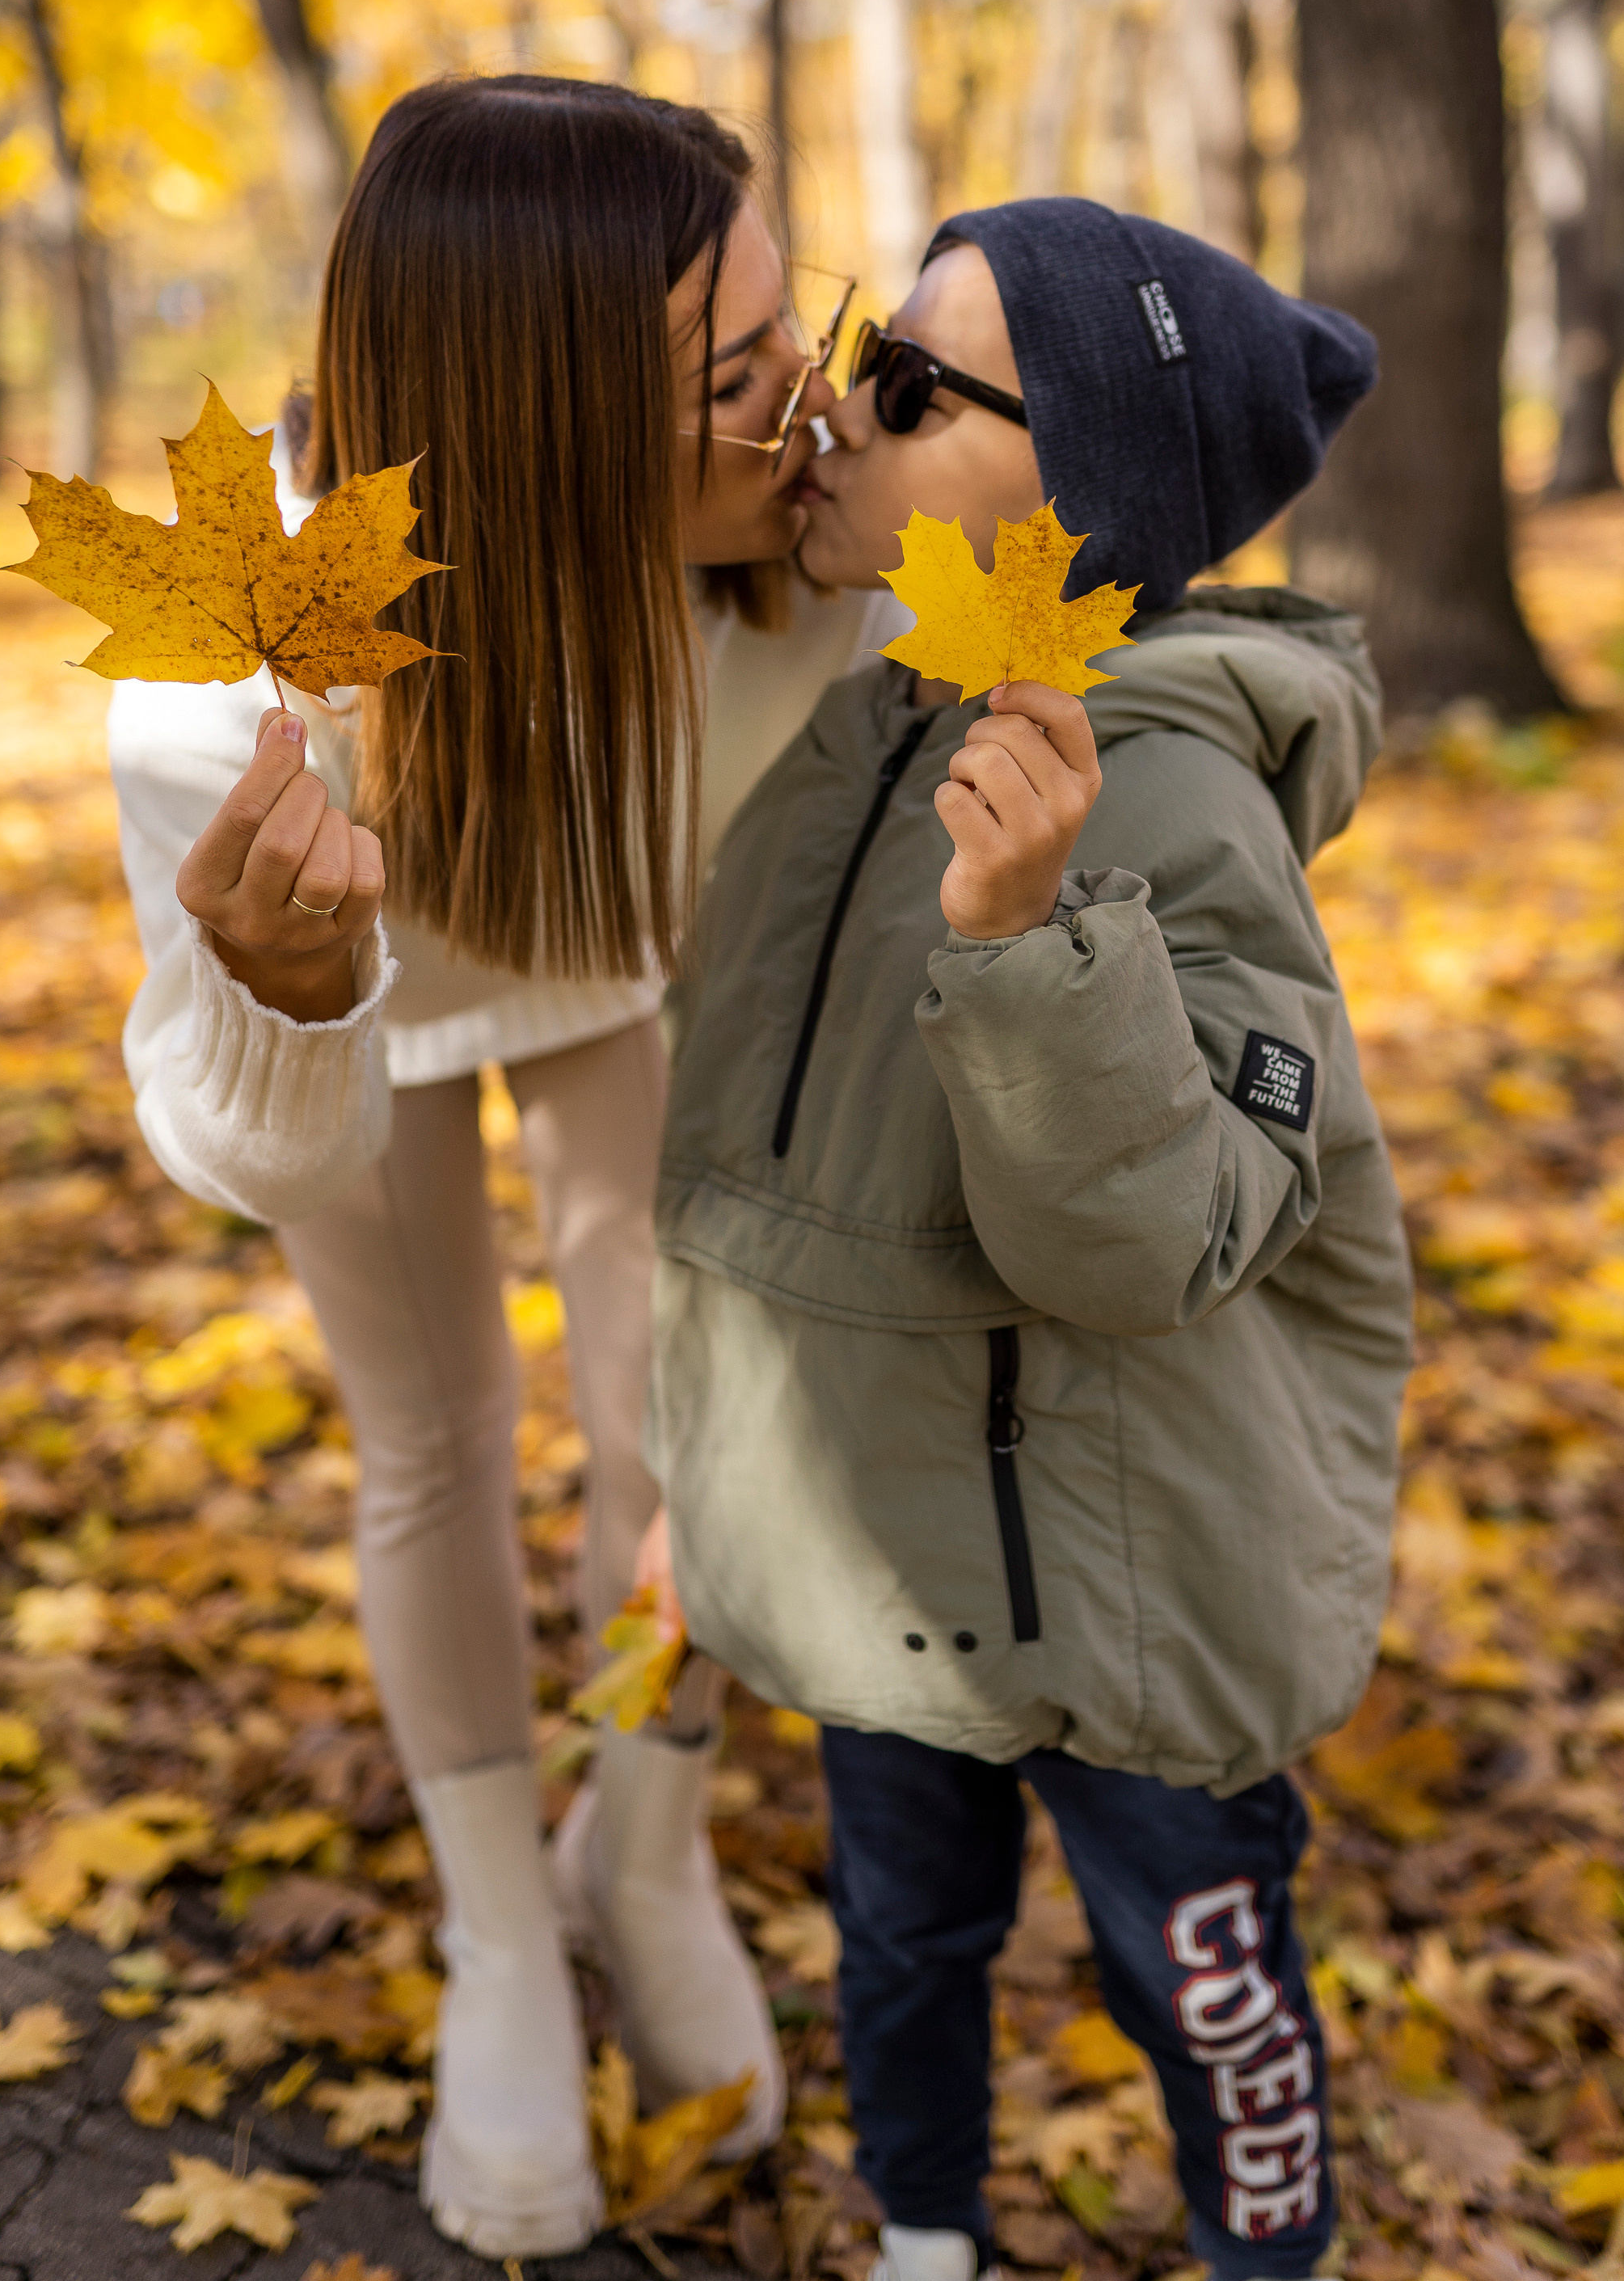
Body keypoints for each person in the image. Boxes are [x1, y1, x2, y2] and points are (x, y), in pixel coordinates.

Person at [108, 76, 879, 2263]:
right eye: (744, 375)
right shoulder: (229, 693)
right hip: (362, 957)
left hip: (607, 931)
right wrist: (279, 984)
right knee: (435, 1430)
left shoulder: (774, 570)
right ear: (554, 424)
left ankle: (636, 1846)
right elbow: (242, 1145)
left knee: (683, 1418)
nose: (811, 402)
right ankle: (495, 1934)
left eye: (788, 318)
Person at [642, 199, 1415, 2281]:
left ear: (1078, 497)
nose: (830, 409)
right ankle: (924, 2242)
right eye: (852, 351)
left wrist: (1033, 948)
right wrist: (702, 1486)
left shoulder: (1161, 795)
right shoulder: (847, 740)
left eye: (904, 388)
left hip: (1135, 1582)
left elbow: (1163, 1239)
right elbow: (740, 1179)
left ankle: (1270, 2253)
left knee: (1204, 1973)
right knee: (900, 1936)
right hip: (884, 1559)